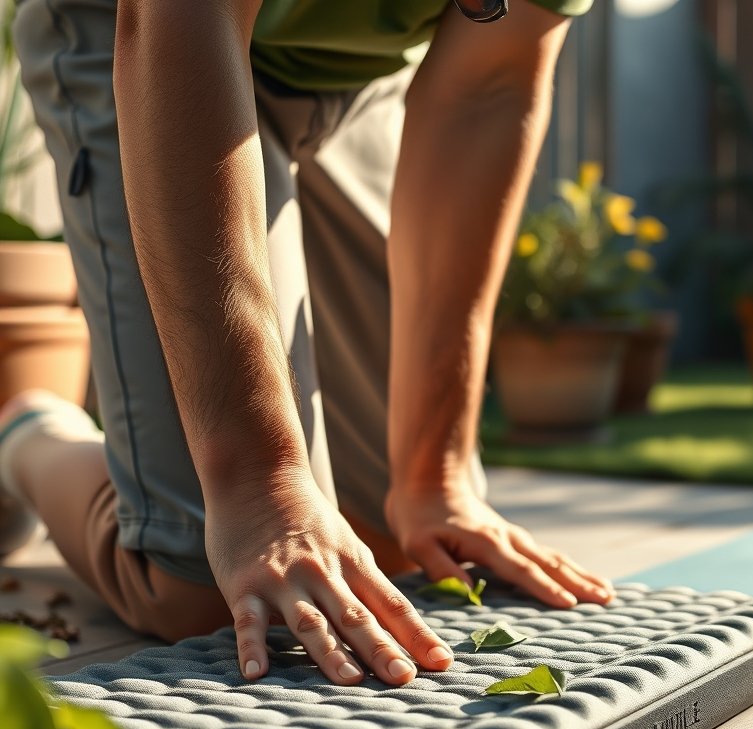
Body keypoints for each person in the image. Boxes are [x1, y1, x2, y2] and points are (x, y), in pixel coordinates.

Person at [5, 0, 613, 688]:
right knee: (211, 586)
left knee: (402, 549)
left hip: (358, 69)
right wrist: (261, 485)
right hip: (155, 30)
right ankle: (28, 431)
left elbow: (491, 79)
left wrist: (432, 476)